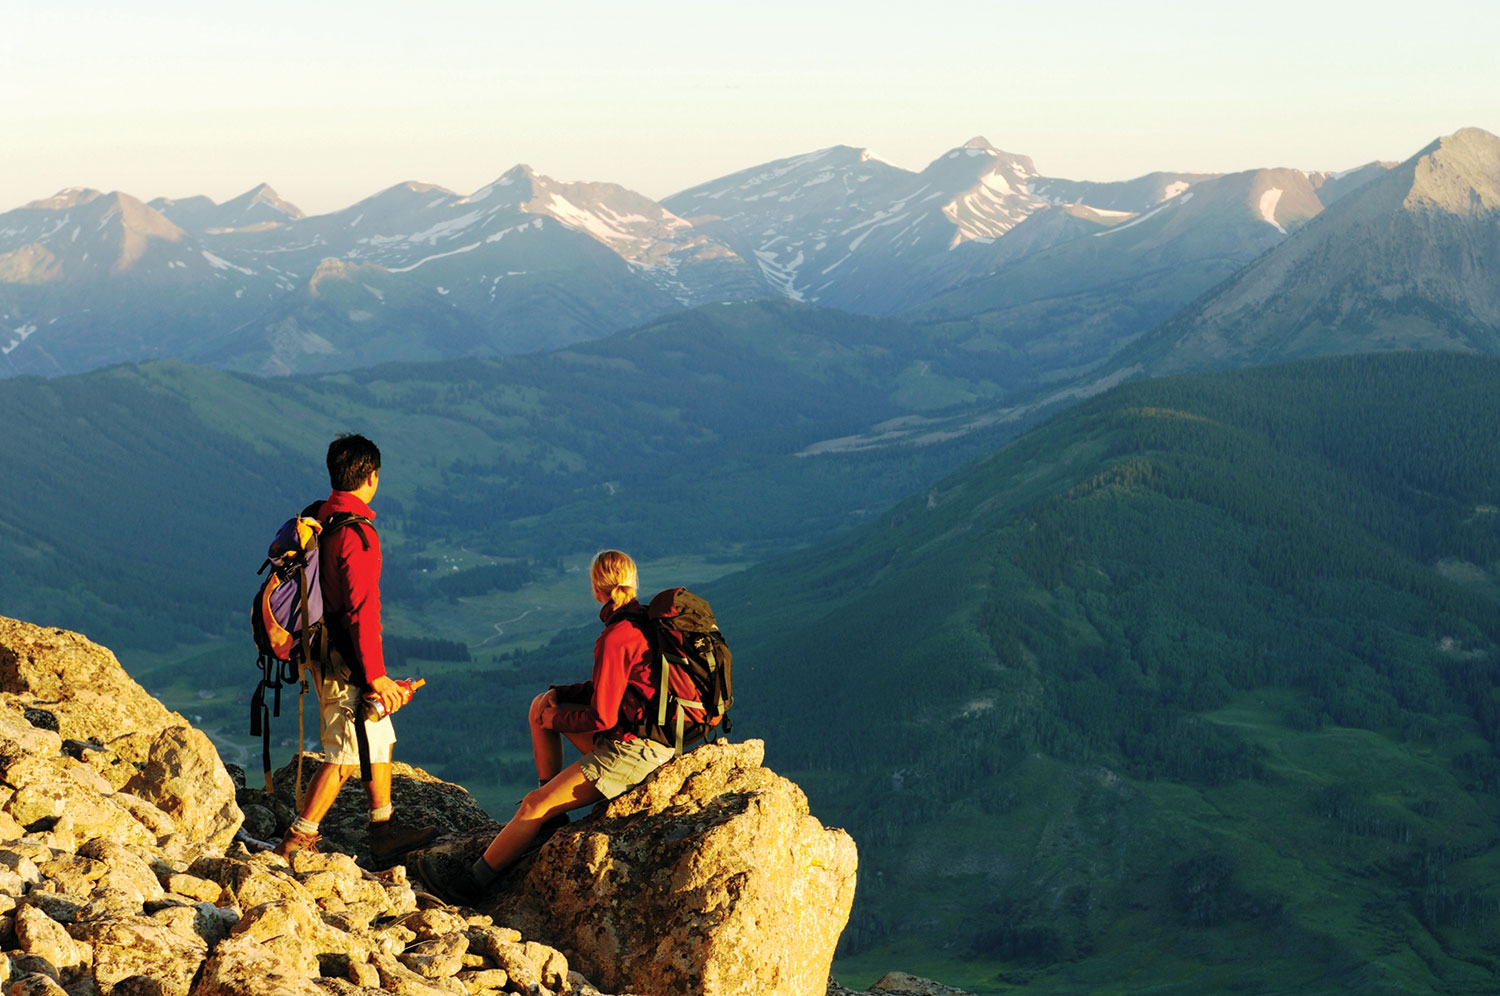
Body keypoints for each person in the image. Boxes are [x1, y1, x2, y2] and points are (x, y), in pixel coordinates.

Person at [421, 549, 674, 904]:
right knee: (541, 702)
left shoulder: (618, 634)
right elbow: (611, 691)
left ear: (597, 588)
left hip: (634, 752)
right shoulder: (641, 621)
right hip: (644, 739)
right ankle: (552, 823)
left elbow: (603, 716)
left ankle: (467, 890)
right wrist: (559, 696)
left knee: (532, 805)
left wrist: (557, 719)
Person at [275, 434, 436, 864]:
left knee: (375, 735)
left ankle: (383, 828)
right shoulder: (357, 534)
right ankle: (296, 840)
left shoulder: (322, 518)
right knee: (346, 753)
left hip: (324, 647)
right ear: (372, 476)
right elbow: (363, 610)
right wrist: (377, 675)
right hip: (344, 657)